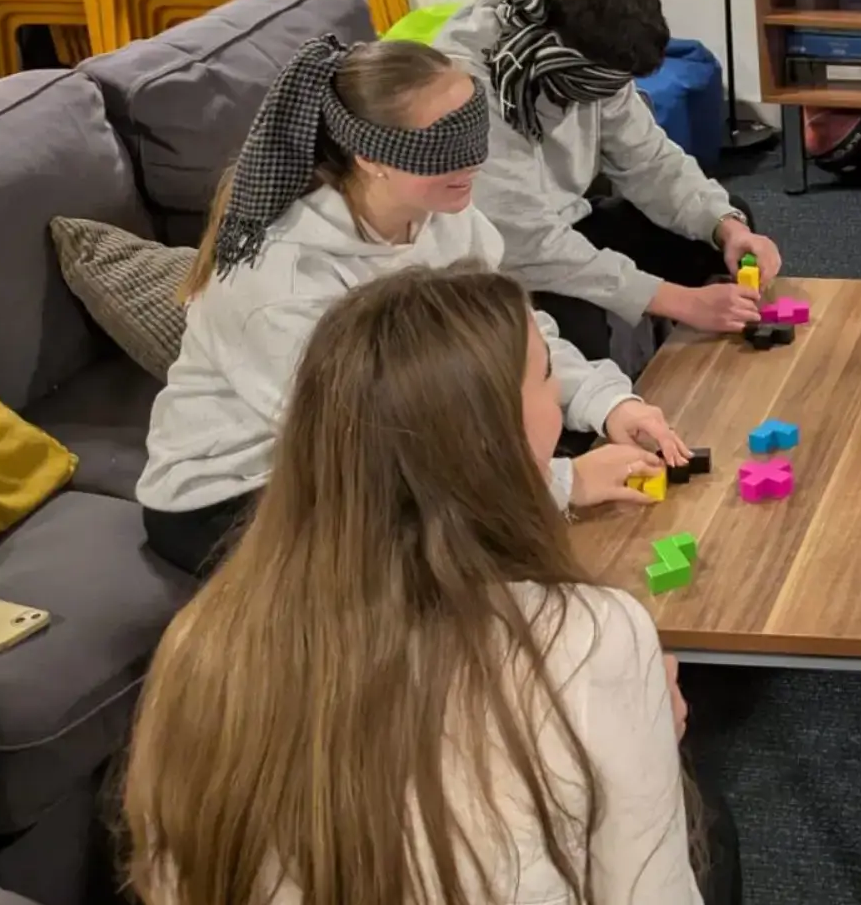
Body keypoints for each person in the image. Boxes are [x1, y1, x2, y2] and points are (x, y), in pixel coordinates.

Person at [124, 264, 738, 905]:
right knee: (712, 837)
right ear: (495, 436)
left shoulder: (198, 643)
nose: (559, 401)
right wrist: (644, 746)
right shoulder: (594, 637)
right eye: (548, 375)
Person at [137, 36, 682, 577]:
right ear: (371, 157)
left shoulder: (444, 213)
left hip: (383, 445)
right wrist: (560, 483)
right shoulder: (281, 281)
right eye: (445, 147)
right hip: (248, 489)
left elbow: (513, 338)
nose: (473, 162)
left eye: (474, 132)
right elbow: (368, 449)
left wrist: (604, 401)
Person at [438, 0, 777, 371]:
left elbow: (650, 162)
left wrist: (725, 224)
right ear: (562, 53)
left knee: (721, 226)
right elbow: (525, 244)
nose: (608, 95)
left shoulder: (585, 58)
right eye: (597, 86)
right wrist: (682, 301)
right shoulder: (458, 87)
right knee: (579, 324)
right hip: (496, 262)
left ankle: (681, 374)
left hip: (565, 223)